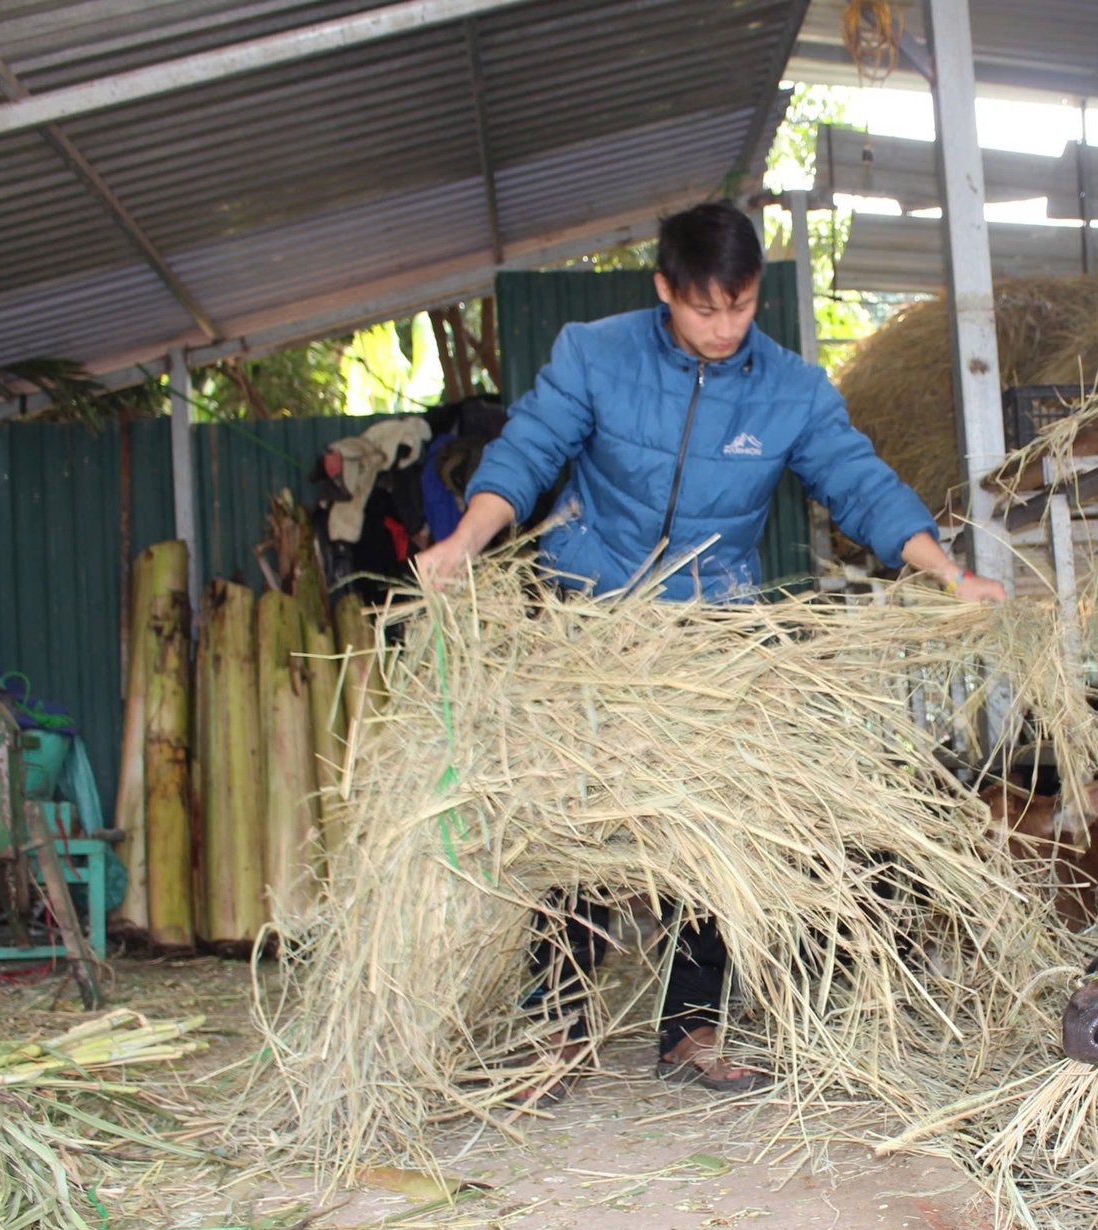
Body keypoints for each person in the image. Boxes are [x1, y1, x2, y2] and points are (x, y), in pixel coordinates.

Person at [417, 200, 1005, 1094]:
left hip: (711, 624)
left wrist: (947, 574)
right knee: (581, 817)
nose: (725, 328)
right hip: (595, 613)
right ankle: (556, 1028)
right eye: (703, 309)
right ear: (664, 290)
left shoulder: (791, 390)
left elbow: (860, 485)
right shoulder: (594, 354)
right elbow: (527, 452)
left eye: (740, 306)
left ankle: (690, 1032)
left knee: (725, 820)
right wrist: (465, 542)